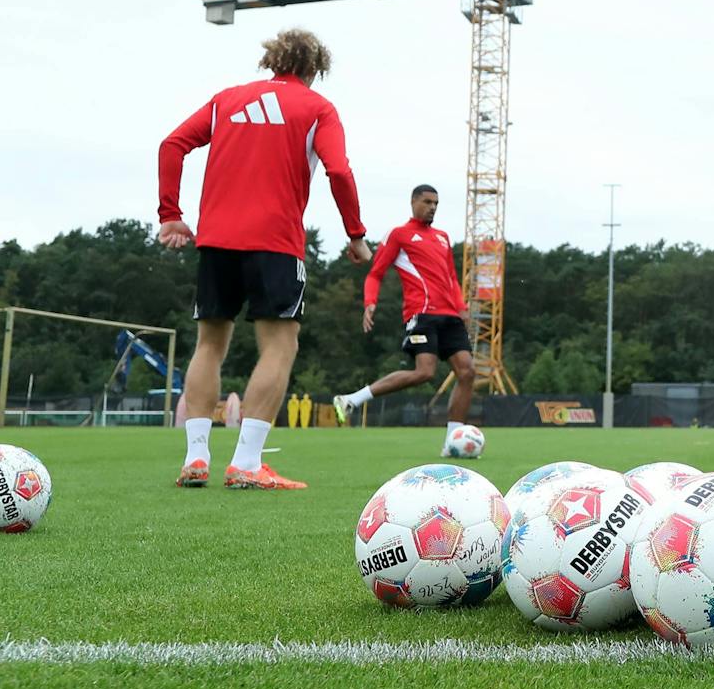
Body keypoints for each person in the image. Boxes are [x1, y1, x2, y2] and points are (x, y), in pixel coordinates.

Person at [157, 29, 369, 490]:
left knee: (209, 344)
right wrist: (355, 234)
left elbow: (171, 144)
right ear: (315, 68)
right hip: (275, 242)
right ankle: (247, 463)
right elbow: (338, 170)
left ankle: (196, 458)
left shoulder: (227, 99)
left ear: (272, 60)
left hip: (215, 241)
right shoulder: (317, 107)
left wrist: (170, 214)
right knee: (279, 345)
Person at [332, 185, 477, 453]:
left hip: (450, 316)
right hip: (421, 314)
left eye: (436, 203)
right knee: (425, 372)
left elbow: (451, 278)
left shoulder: (443, 237)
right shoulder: (399, 234)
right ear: (413, 202)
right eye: (427, 202)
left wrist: (462, 307)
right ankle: (352, 399)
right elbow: (375, 273)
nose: (432, 207)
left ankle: (452, 444)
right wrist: (370, 302)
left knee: (467, 372)